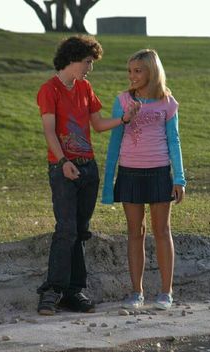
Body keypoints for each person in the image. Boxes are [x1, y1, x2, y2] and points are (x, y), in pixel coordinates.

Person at [36, 34, 138, 316]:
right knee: (66, 229)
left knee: (79, 232)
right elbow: (48, 131)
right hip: (63, 168)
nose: (90, 68)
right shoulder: (49, 89)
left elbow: (98, 124)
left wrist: (124, 119)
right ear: (72, 59)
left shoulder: (85, 87)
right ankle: (52, 291)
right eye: (87, 62)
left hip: (88, 168)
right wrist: (63, 161)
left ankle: (74, 292)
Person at [102, 49, 186, 311]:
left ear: (152, 71)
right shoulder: (123, 101)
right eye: (130, 71)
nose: (132, 76)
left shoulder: (167, 103)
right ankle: (136, 292)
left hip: (160, 172)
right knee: (135, 232)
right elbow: (114, 142)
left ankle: (165, 292)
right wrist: (108, 184)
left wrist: (179, 178)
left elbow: (174, 141)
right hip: (130, 173)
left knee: (162, 231)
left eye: (138, 71)